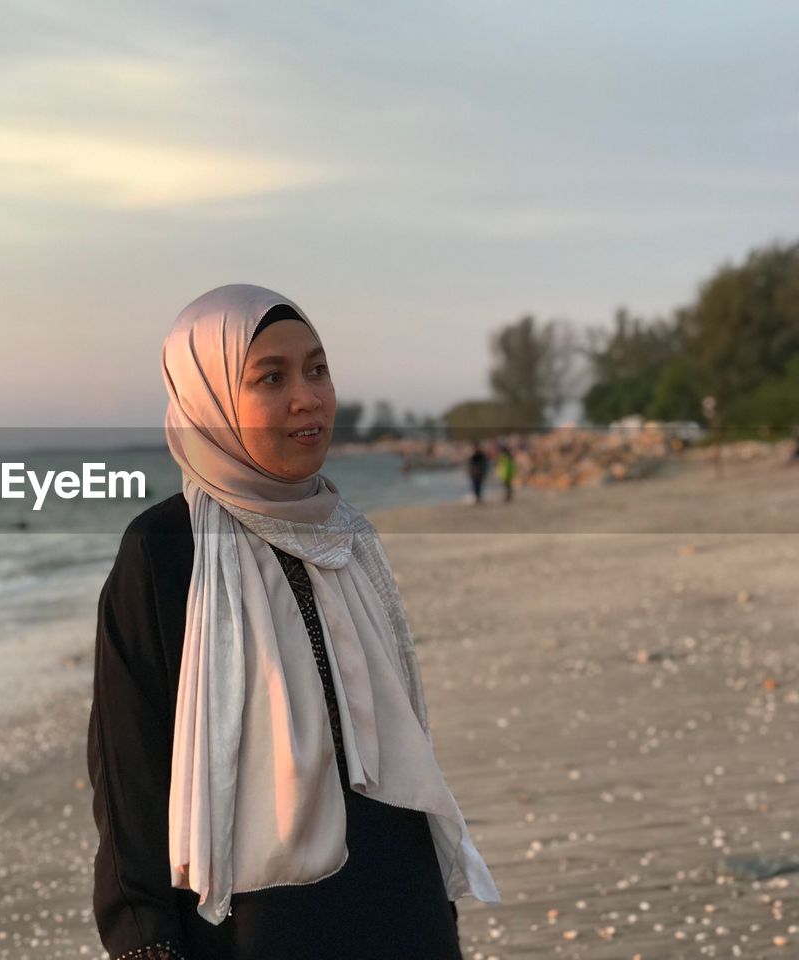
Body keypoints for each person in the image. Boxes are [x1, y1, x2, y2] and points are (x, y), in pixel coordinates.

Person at [86, 285, 500, 960]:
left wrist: (438, 914)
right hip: (257, 924)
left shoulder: (348, 536)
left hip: (399, 903)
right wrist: (143, 938)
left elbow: (400, 746)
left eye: (317, 369)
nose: (307, 397)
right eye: (270, 378)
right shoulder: (166, 550)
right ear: (208, 398)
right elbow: (127, 764)